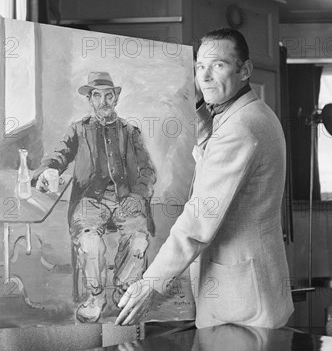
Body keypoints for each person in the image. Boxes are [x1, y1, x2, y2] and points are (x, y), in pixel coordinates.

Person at [116, 28, 294, 328]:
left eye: (219, 65)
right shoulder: (248, 113)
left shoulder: (241, 128)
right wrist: (199, 104)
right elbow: (211, 144)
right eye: (200, 66)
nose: (206, 76)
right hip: (246, 293)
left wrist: (152, 283)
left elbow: (199, 219)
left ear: (245, 70)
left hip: (242, 303)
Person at [32, 71, 156, 323]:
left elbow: (147, 170)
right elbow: (59, 154)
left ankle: (124, 290)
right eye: (97, 96)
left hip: (125, 199)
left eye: (108, 95)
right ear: (90, 99)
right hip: (89, 200)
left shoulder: (130, 132)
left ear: (116, 98)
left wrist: (139, 195)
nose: (103, 101)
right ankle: (96, 296)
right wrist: (48, 171)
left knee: (139, 239)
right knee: (89, 242)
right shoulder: (79, 129)